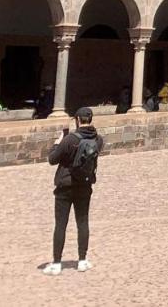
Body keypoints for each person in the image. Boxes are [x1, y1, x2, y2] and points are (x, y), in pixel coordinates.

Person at [43, 107, 103, 275]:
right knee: (82, 222)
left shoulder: (70, 139)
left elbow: (52, 160)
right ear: (91, 119)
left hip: (65, 186)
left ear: (77, 120)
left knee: (61, 224)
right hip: (84, 185)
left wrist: (57, 143)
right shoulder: (98, 140)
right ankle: (82, 260)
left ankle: (56, 263)